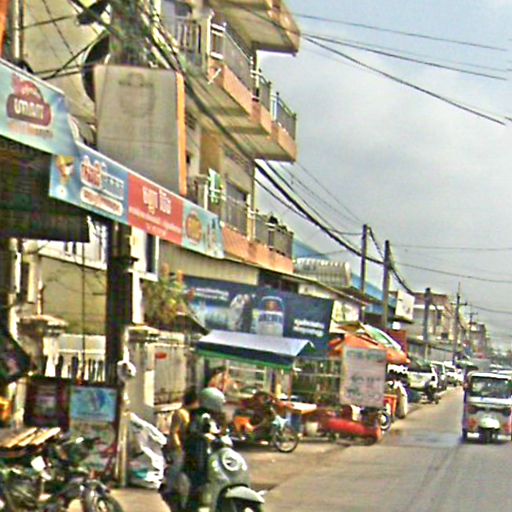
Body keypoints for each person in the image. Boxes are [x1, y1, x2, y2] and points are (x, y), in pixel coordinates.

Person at [184, 387, 226, 512]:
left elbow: (214, 431)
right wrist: (205, 436)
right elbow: (193, 431)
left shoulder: (209, 416)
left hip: (204, 451)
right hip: (197, 453)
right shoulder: (200, 416)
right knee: (198, 482)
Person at [160, 388, 199, 510]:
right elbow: (174, 432)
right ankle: (169, 490)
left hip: (186, 447)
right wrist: (178, 447)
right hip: (178, 447)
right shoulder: (180, 413)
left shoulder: (191, 414)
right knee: (176, 468)